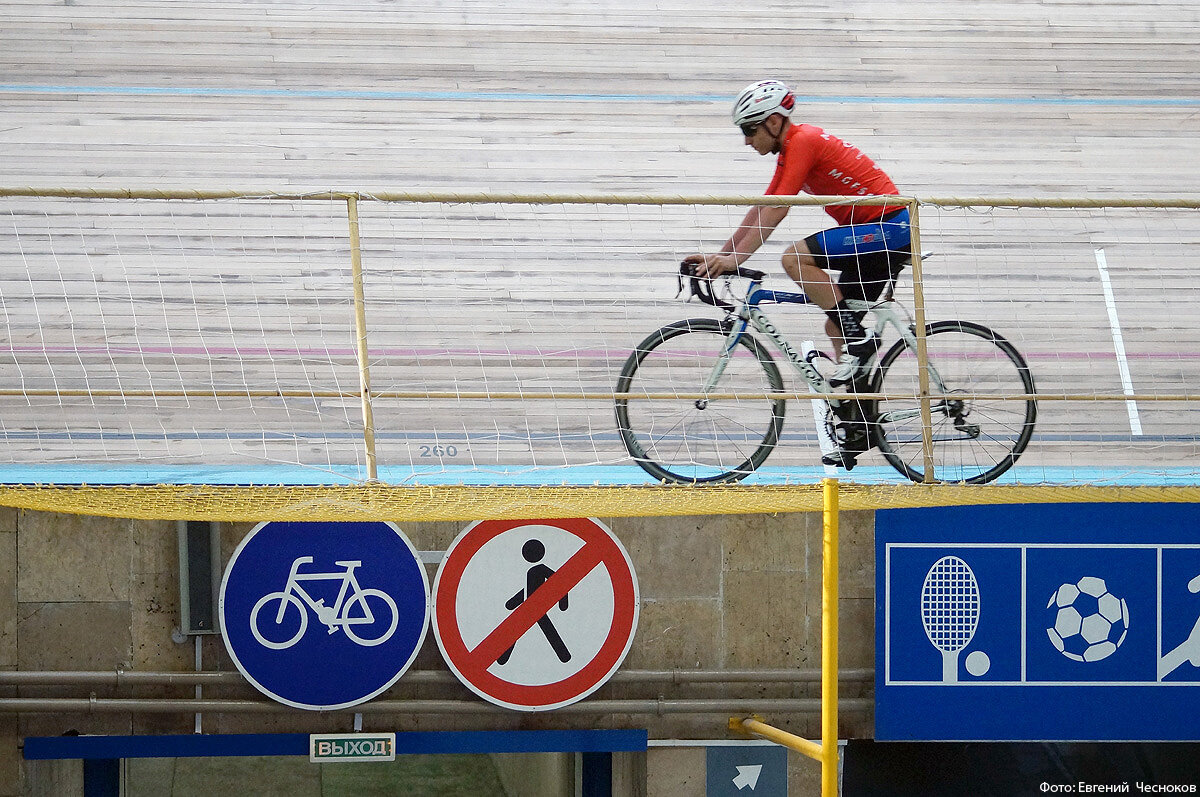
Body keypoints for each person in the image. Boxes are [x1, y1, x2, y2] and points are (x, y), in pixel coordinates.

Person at [683, 79, 912, 387]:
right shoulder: (791, 148)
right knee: (837, 328)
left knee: (793, 259)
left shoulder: (803, 140)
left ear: (774, 122)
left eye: (749, 130)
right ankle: (858, 419)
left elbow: (778, 210)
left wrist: (734, 259)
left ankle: (860, 339)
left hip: (887, 230)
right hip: (876, 233)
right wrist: (722, 257)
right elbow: (761, 208)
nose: (747, 141)